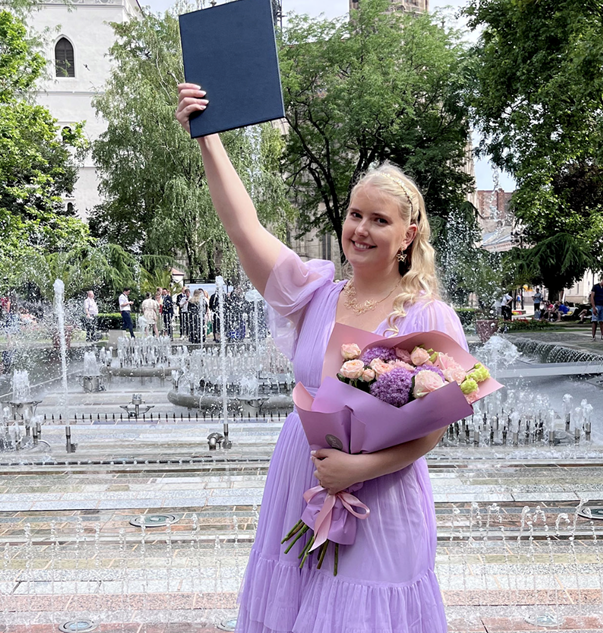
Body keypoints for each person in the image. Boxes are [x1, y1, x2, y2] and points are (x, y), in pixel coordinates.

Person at [176, 81, 470, 633]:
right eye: (355, 215)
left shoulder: (428, 317)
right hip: (302, 475)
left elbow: (433, 430)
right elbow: (244, 228)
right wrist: (208, 140)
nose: (360, 229)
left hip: (381, 496)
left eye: (379, 220)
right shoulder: (313, 295)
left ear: (408, 234)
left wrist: (359, 468)